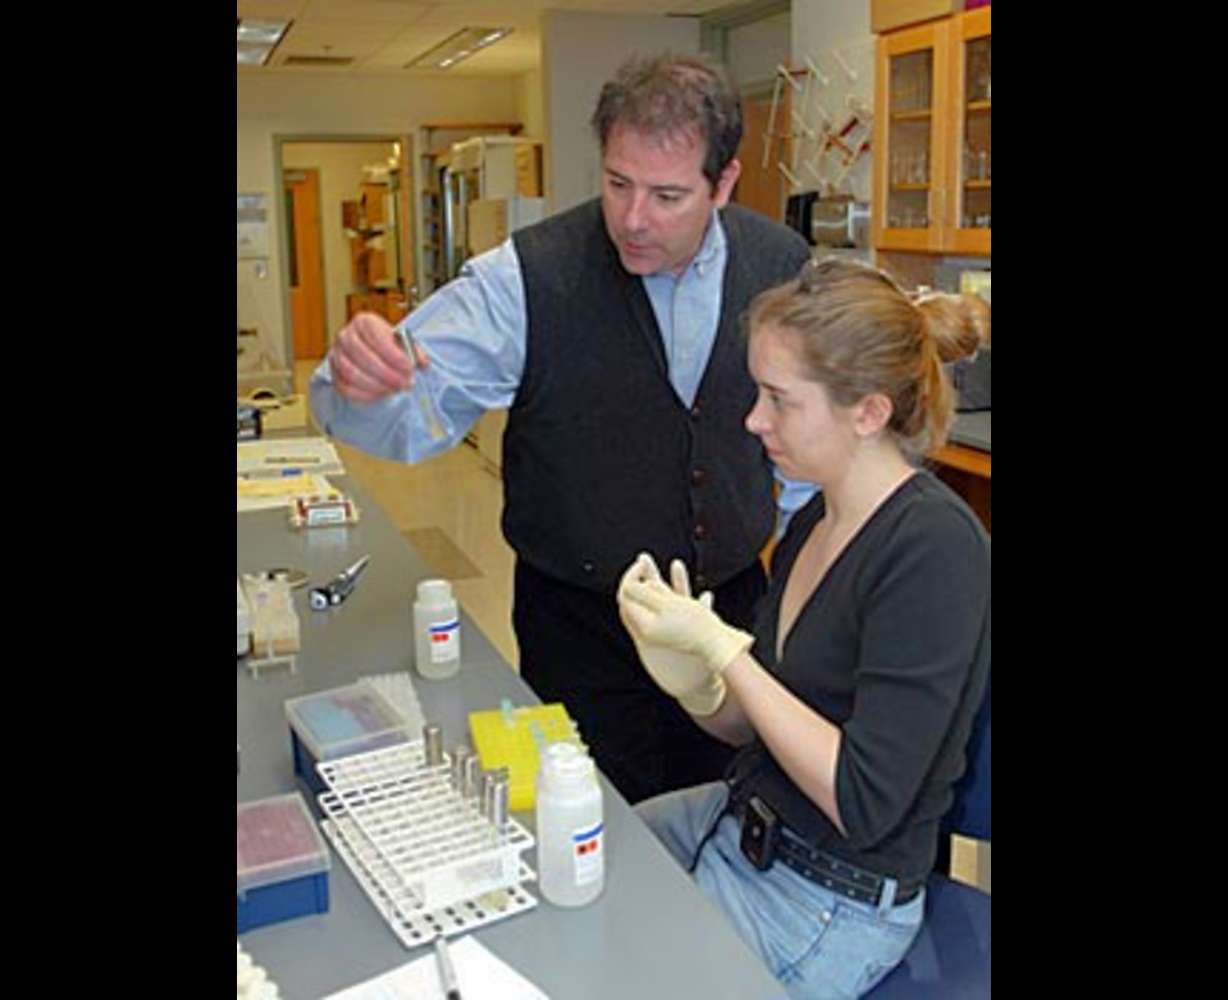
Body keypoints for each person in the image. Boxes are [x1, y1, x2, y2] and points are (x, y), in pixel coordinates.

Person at [309, 51, 813, 804]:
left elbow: (809, 447)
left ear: (724, 183)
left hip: (729, 615)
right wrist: (357, 384)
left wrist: (799, 574)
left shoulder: (781, 264)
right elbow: (409, 417)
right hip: (580, 629)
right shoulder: (528, 275)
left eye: (667, 195)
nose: (633, 218)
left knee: (724, 815)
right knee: (589, 822)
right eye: (617, 183)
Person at [617, 256, 991, 999]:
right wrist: (696, 681)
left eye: (779, 400)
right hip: (746, 822)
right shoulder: (816, 518)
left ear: (868, 413)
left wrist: (728, 655)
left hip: (829, 896)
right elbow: (755, 726)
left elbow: (862, 801)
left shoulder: (935, 550)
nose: (754, 419)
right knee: (581, 865)